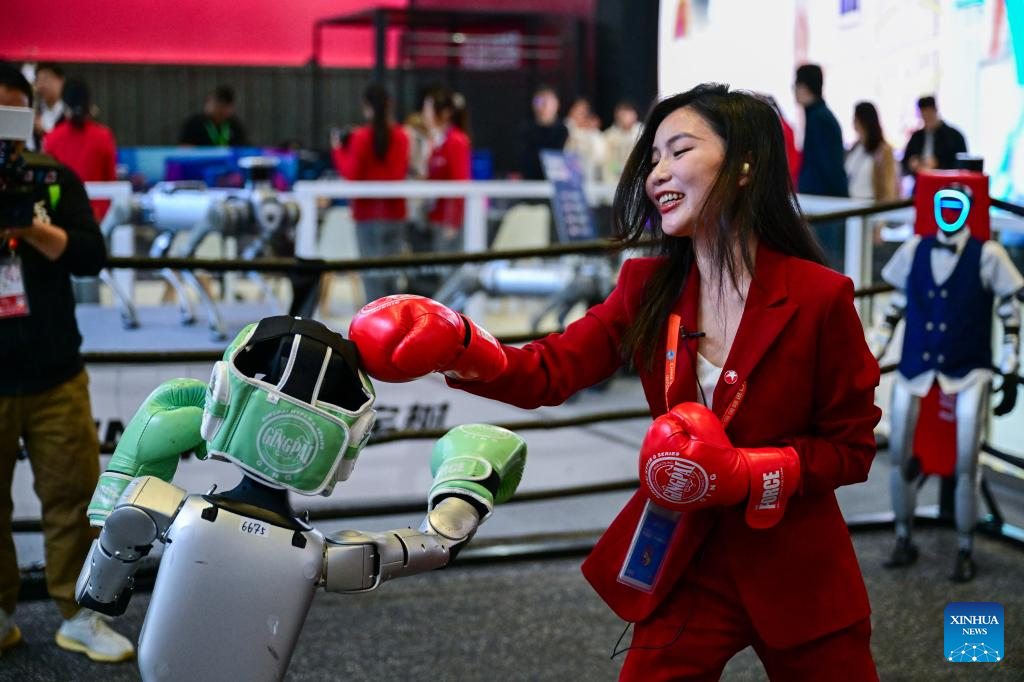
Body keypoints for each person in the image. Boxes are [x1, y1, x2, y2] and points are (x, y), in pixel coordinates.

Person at [349, 83, 882, 679]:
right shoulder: (646, 287)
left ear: (744, 166)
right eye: (652, 158)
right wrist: (459, 344)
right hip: (690, 561)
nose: (657, 173)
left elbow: (852, 448)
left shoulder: (818, 297)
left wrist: (751, 473)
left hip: (798, 570)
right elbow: (548, 371)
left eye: (679, 151)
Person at [0, 64, 134, 662]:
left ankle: (80, 614)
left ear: (29, 118)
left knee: (76, 497)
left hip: (56, 373)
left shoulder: (54, 180)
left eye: (11, 115)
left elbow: (90, 256)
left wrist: (30, 227)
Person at [331, 84, 410, 302]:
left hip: (367, 216)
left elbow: (350, 173)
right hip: (395, 214)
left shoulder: (361, 137)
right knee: (393, 274)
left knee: (372, 276)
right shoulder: (402, 137)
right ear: (390, 106)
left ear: (367, 107)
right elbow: (399, 172)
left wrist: (338, 149)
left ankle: (377, 325)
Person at [795, 63, 848, 269]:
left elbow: (831, 166)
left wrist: (842, 203)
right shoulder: (818, 116)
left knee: (826, 263)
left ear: (804, 87)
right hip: (822, 203)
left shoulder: (820, 119)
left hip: (826, 205)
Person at [43, 78, 118, 220]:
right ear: (88, 103)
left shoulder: (51, 139)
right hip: (98, 217)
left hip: (62, 217)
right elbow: (111, 181)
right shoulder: (104, 136)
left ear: (63, 104)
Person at [422, 86, 471, 254]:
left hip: (448, 223)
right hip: (435, 219)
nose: (425, 114)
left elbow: (460, 183)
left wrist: (453, 222)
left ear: (445, 113)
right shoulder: (436, 142)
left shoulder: (456, 141)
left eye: (428, 108)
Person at [901, 95, 968, 176]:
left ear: (935, 111)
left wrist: (938, 164)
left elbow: (962, 167)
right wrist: (911, 164)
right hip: (921, 182)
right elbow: (904, 164)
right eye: (923, 115)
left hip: (946, 183)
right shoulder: (916, 137)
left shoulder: (954, 136)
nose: (927, 118)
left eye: (929, 113)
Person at [845, 102, 898, 201]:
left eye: (855, 119)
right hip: (851, 202)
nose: (853, 123)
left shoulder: (883, 150)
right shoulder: (856, 147)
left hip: (871, 205)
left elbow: (888, 186)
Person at [519, 85, 569, 180]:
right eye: (539, 102)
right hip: (530, 183)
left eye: (549, 102)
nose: (544, 106)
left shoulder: (564, 131)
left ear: (557, 104)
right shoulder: (525, 130)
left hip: (557, 182)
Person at [178, 85, 249, 147]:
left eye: (225, 106)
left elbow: (243, 147)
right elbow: (184, 148)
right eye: (216, 104)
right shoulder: (195, 123)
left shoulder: (234, 124)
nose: (220, 109)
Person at [564, 96, 606, 183]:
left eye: (584, 111)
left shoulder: (593, 133)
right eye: (578, 110)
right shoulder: (563, 129)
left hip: (589, 177)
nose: (581, 114)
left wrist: (591, 133)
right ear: (571, 111)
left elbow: (600, 156)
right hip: (567, 176)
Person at [602, 100, 642, 184]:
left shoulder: (642, 133)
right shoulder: (610, 136)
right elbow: (608, 161)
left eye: (627, 114)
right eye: (622, 115)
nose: (625, 118)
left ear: (634, 115)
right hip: (615, 178)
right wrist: (619, 170)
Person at [32, 63, 66, 149]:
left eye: (46, 79)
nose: (42, 85)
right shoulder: (35, 112)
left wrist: (44, 133)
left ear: (61, 81)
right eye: (38, 80)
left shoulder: (69, 114)